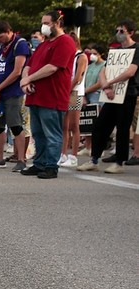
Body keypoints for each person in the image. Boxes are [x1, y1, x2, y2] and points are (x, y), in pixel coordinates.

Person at [18, 9, 75, 179]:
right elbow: (29, 65)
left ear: (57, 23)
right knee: (38, 133)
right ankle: (39, 163)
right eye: (42, 23)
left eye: (47, 23)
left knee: (52, 133)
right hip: (36, 96)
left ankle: (51, 166)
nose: (43, 27)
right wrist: (26, 79)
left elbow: (52, 67)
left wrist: (28, 79)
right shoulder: (44, 44)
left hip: (53, 96)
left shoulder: (65, 42)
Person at [78, 19, 139, 174]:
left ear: (131, 32)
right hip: (111, 94)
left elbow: (130, 72)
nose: (118, 34)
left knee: (122, 128)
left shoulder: (137, 49)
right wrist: (106, 85)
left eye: (122, 31)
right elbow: (104, 70)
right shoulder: (115, 50)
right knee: (100, 125)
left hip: (128, 93)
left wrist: (110, 83)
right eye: (117, 30)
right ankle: (94, 159)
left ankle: (119, 162)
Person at [0, 21, 31, 172]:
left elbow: (17, 71)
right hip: (0, 92)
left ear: (9, 32)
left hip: (13, 92)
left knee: (15, 124)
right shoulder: (0, 47)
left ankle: (21, 159)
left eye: (1, 37)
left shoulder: (20, 44)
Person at [58, 33, 88, 169]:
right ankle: (63, 154)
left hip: (75, 91)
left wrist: (67, 90)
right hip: (66, 91)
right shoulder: (69, 55)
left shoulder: (81, 56)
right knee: (64, 126)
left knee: (74, 125)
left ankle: (74, 156)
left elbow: (77, 77)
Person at [79, 43, 107, 155]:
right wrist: (84, 95)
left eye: (95, 54)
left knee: (98, 123)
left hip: (98, 95)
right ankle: (87, 146)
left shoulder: (104, 65)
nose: (92, 56)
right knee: (87, 123)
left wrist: (85, 91)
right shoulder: (89, 66)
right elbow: (83, 80)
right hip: (87, 95)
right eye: (91, 54)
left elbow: (100, 82)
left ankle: (98, 147)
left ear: (101, 54)